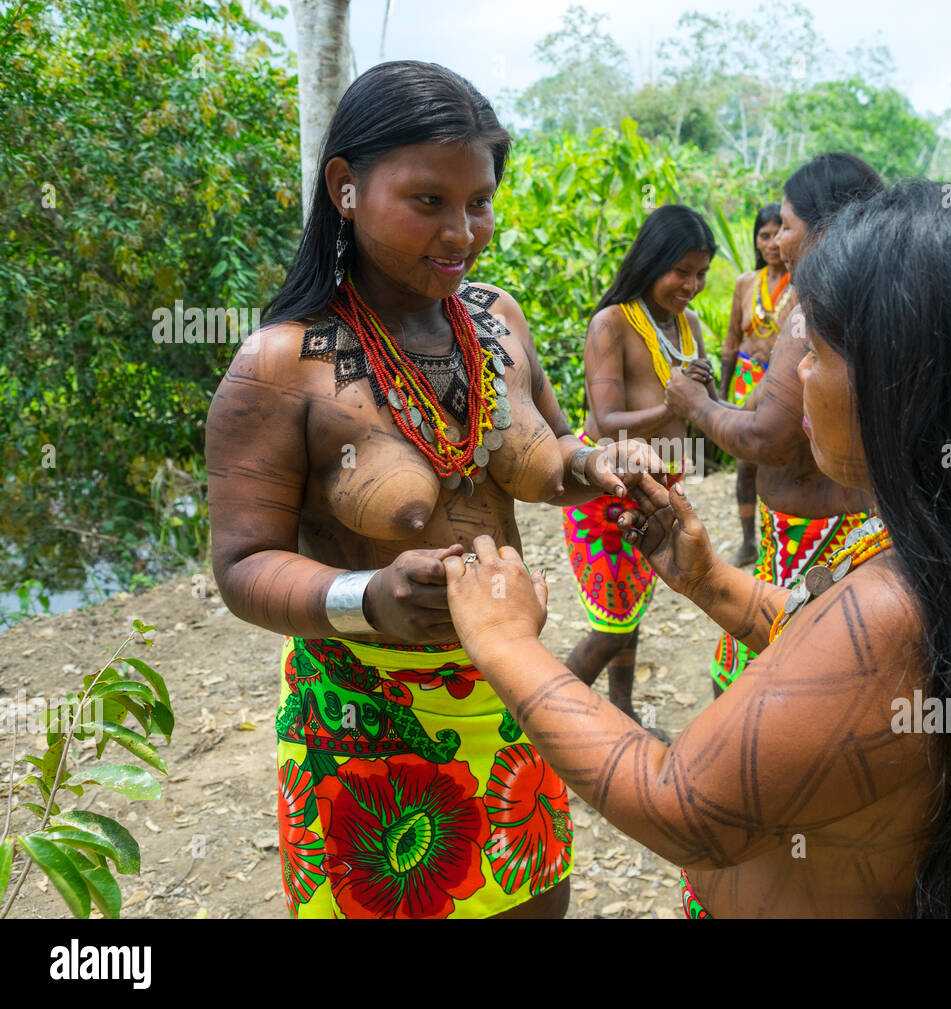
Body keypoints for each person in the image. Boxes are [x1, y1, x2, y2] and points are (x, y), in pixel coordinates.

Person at [441, 180, 951, 918]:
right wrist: (714, 584)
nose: (792, 375)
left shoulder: (894, 608)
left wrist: (505, 642)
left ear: (905, 384)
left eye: (816, 350)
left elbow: (677, 804)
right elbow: (839, 666)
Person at [205, 61, 649, 919]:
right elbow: (242, 565)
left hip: (514, 695)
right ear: (345, 187)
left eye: (478, 201)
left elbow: (549, 449)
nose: (463, 231)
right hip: (365, 729)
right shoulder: (280, 364)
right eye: (428, 201)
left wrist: (594, 468)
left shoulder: (501, 320)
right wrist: (366, 596)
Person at [666, 154, 884, 696]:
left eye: (787, 225)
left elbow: (769, 436)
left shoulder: (816, 305)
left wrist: (693, 402)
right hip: (839, 525)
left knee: (758, 682)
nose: (779, 242)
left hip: (811, 534)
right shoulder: (877, 294)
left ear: (826, 227)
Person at [561, 205, 717, 730]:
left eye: (701, 274)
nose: (692, 285)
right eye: (682, 271)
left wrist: (704, 398)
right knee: (610, 625)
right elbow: (608, 423)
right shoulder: (612, 323)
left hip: (657, 490)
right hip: (606, 491)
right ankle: (542, 726)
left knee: (630, 613)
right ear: (652, 262)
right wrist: (679, 404)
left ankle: (622, 711)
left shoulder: (689, 325)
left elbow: (692, 405)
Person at [718, 203, 792, 567]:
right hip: (747, 381)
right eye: (765, 235)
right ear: (757, 241)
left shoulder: (801, 283)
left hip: (782, 381)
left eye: (780, 232)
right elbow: (731, 341)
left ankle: (781, 539)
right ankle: (749, 542)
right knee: (746, 463)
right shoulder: (746, 283)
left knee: (781, 458)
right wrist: (720, 395)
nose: (773, 242)